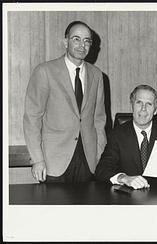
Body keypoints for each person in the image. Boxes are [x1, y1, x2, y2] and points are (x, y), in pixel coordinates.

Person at [23, 21, 107, 183]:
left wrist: (99, 155)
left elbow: (99, 119)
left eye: (87, 41)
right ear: (65, 42)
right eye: (76, 39)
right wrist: (37, 160)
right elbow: (32, 119)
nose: (82, 45)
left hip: (88, 162)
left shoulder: (97, 75)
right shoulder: (44, 71)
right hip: (54, 162)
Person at [95, 85, 157, 189]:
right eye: (139, 102)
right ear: (131, 106)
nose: (143, 109)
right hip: (129, 198)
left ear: (156, 110)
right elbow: (102, 169)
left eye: (149, 104)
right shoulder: (117, 135)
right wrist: (124, 178)